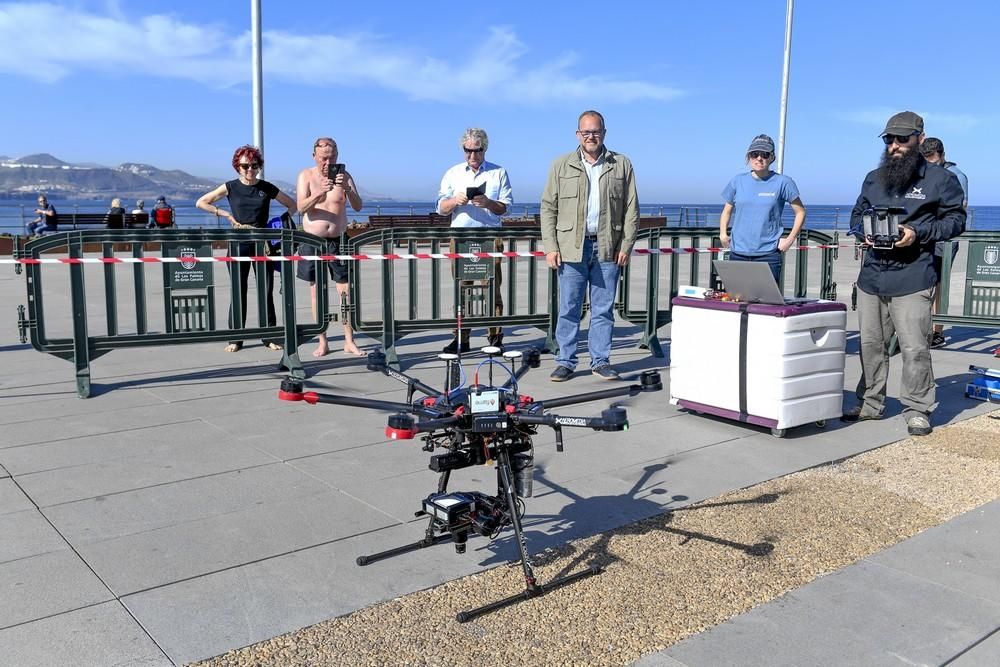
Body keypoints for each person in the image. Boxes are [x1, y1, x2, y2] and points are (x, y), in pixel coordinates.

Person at [843, 111, 965, 436]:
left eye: (902, 139)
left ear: (919, 139)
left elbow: (956, 221)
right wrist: (862, 232)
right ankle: (870, 403)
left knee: (914, 348)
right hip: (872, 276)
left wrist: (918, 232)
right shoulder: (873, 177)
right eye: (889, 139)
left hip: (913, 277)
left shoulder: (940, 180)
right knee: (870, 345)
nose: (895, 145)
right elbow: (856, 215)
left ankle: (917, 408)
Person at [540, 110, 638, 382]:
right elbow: (548, 208)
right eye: (586, 132)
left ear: (604, 133)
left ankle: (600, 360)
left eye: (595, 131)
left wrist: (626, 245)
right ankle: (566, 361)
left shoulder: (621, 164)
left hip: (607, 247)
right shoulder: (561, 165)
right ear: (577, 135)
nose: (591, 136)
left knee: (603, 309)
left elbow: (632, 209)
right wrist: (550, 246)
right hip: (571, 247)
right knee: (570, 308)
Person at [196, 145, 297, 353]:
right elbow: (201, 202)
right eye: (245, 166)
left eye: (254, 166)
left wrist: (280, 222)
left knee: (265, 291)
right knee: (238, 290)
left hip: (263, 244)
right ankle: (236, 338)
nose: (250, 170)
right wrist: (225, 215)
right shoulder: (230, 187)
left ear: (259, 166)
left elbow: (292, 205)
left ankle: (268, 337)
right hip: (239, 243)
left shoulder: (267, 187)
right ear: (237, 167)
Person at [436, 128, 514, 352]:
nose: (472, 156)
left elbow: (506, 208)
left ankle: (495, 337)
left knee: (492, 287)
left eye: (477, 151)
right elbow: (441, 208)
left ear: (485, 149)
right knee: (462, 288)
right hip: (461, 237)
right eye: (467, 151)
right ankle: (462, 337)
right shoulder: (452, 173)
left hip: (489, 235)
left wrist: (489, 203)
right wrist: (454, 201)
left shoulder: (498, 172)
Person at [295, 137, 364, 357]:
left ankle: (349, 340)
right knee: (317, 292)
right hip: (312, 240)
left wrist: (347, 189)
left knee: (345, 292)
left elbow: (358, 206)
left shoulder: (345, 176)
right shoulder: (305, 175)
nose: (327, 162)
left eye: (332, 157)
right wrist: (318, 194)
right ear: (314, 156)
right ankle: (322, 340)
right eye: (324, 158)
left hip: (338, 239)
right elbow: (300, 207)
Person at [719, 134, 806, 284]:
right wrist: (722, 234)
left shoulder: (783, 182)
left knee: (766, 302)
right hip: (738, 252)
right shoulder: (737, 181)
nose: (759, 158)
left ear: (772, 157)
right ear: (749, 157)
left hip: (768, 254)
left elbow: (800, 212)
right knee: (738, 301)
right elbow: (727, 210)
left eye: (765, 154)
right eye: (755, 154)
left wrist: (790, 240)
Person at [919, 137, 968, 349]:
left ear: (943, 156)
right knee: (921, 283)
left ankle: (937, 332)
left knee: (939, 285)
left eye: (934, 162)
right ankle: (920, 329)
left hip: (944, 239)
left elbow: (960, 209)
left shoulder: (957, 176)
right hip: (924, 236)